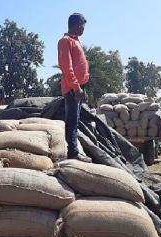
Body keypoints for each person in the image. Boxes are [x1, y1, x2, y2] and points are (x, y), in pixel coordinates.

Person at [58, 13, 91, 162]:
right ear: (76, 24)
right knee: (71, 121)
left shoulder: (75, 41)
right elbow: (67, 67)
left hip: (78, 87)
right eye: (82, 25)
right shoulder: (65, 41)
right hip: (72, 88)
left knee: (75, 121)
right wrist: (76, 87)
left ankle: (74, 151)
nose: (83, 28)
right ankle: (72, 153)